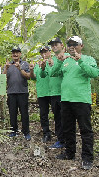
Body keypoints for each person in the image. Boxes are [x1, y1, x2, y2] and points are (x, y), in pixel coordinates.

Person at [52, 36, 98, 170]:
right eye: (70, 44)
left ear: (81, 46)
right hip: (66, 100)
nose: (72, 46)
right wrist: (60, 62)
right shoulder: (65, 61)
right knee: (68, 128)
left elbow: (94, 73)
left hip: (81, 100)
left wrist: (81, 61)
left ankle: (87, 158)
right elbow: (54, 73)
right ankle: (69, 153)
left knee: (85, 130)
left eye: (75, 44)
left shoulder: (88, 59)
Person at [3, 47, 31, 141]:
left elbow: (28, 76)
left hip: (22, 92)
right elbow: (2, 78)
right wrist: (6, 68)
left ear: (20, 54)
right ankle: (13, 130)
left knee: (24, 113)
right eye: (13, 53)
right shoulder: (8, 65)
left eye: (17, 53)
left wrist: (20, 69)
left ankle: (26, 131)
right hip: (11, 92)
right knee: (12, 113)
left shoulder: (25, 64)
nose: (15, 54)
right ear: (12, 55)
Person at [46, 38, 67, 149]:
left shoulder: (68, 56)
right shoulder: (51, 59)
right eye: (52, 45)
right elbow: (51, 73)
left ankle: (68, 140)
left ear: (62, 45)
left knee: (67, 118)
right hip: (54, 93)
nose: (54, 46)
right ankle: (60, 140)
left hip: (65, 93)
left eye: (56, 44)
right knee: (57, 117)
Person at [30, 46, 52, 143]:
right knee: (43, 115)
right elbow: (33, 77)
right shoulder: (37, 64)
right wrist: (31, 69)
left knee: (58, 114)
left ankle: (61, 135)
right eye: (42, 52)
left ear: (49, 52)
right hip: (42, 93)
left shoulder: (54, 61)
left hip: (53, 92)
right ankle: (46, 133)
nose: (44, 54)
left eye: (45, 52)